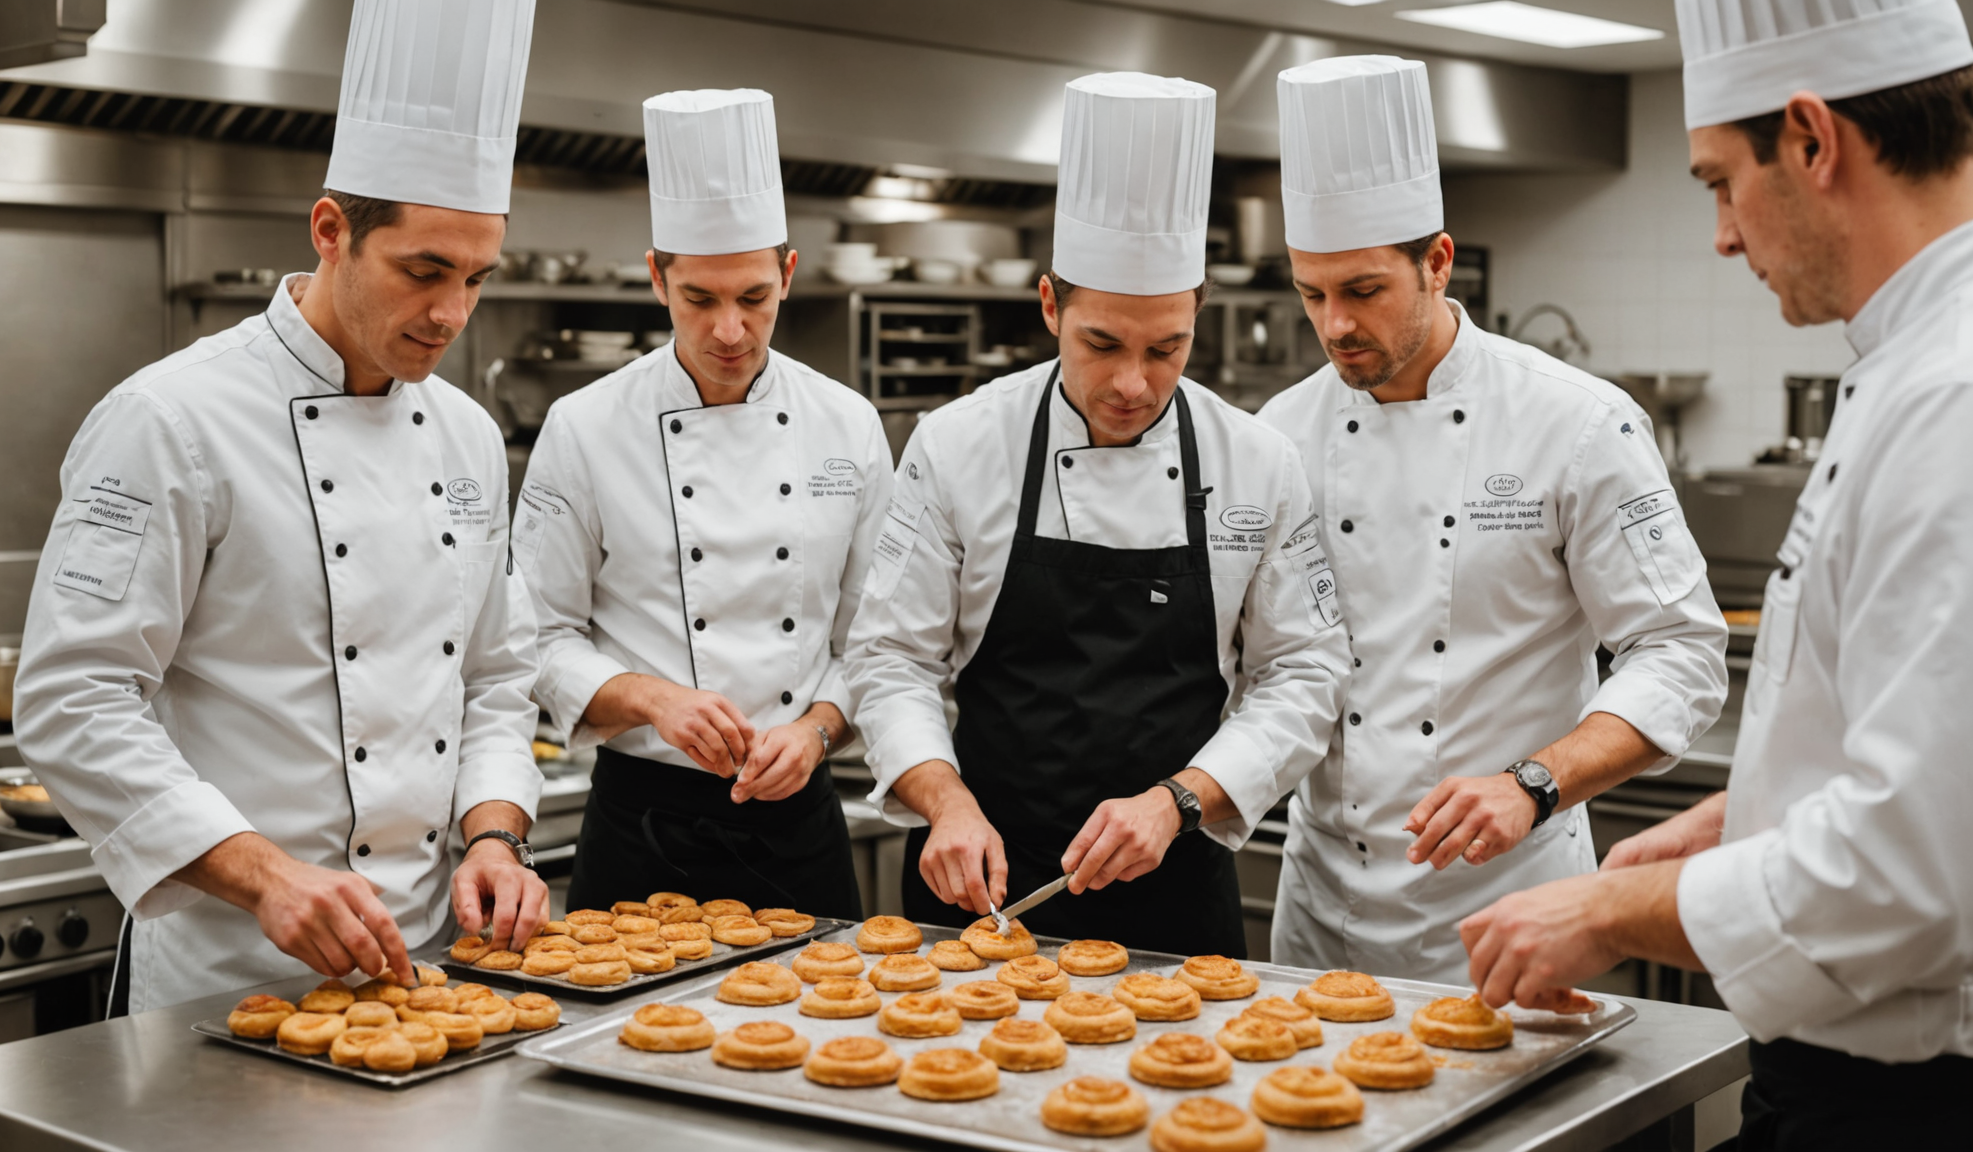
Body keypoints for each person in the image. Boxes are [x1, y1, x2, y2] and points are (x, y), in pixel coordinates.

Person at [1459, 0, 1973, 1143]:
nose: (1724, 237)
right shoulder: (1909, 367)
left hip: (1913, 1104)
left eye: (1715, 183)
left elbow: (1918, 874)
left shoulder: (1951, 398)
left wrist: (1616, 906)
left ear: (1811, 139)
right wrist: (1753, 813)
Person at [12, 0, 547, 1014]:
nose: (452, 315)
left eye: (478, 278)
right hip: (224, 978)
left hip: (428, 969)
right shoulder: (170, 421)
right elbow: (73, 697)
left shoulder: (470, 435)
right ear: (331, 230)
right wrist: (265, 876)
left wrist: (493, 832)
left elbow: (494, 675)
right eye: (424, 272)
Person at [845, 72, 1351, 957]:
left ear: (1199, 315)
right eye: (1102, 344)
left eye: (1167, 350)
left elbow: (1306, 672)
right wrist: (944, 801)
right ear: (1050, 306)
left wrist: (1181, 799)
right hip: (978, 882)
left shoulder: (1257, 460)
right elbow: (891, 657)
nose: (1132, 384)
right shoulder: (960, 444)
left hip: (1177, 882)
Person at [1253, 57, 1729, 983]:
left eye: (1363, 291)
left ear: (1437, 262)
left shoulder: (1577, 422)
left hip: (1512, 901)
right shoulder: (1281, 433)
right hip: (1319, 908)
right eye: (1312, 295)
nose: (1335, 325)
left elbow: (1680, 652)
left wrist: (1533, 784)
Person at [518, 89, 889, 919]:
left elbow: (879, 638)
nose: (729, 330)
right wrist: (653, 700)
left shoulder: (849, 425)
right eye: (700, 299)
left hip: (799, 823)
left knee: (824, 1045)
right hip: (640, 822)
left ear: (788, 276)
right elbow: (532, 637)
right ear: (658, 279)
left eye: (754, 298)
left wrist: (818, 730)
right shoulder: (584, 427)